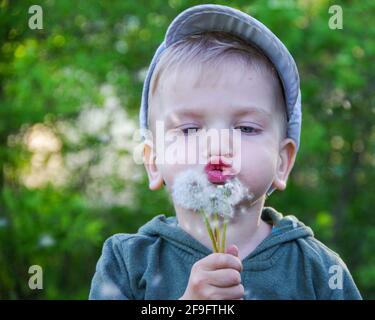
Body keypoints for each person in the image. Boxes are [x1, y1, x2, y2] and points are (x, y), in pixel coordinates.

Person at [89, 4, 361, 300]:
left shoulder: (318, 270)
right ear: (153, 161)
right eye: (190, 129)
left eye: (245, 128)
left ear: (282, 162)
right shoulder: (127, 263)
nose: (218, 143)